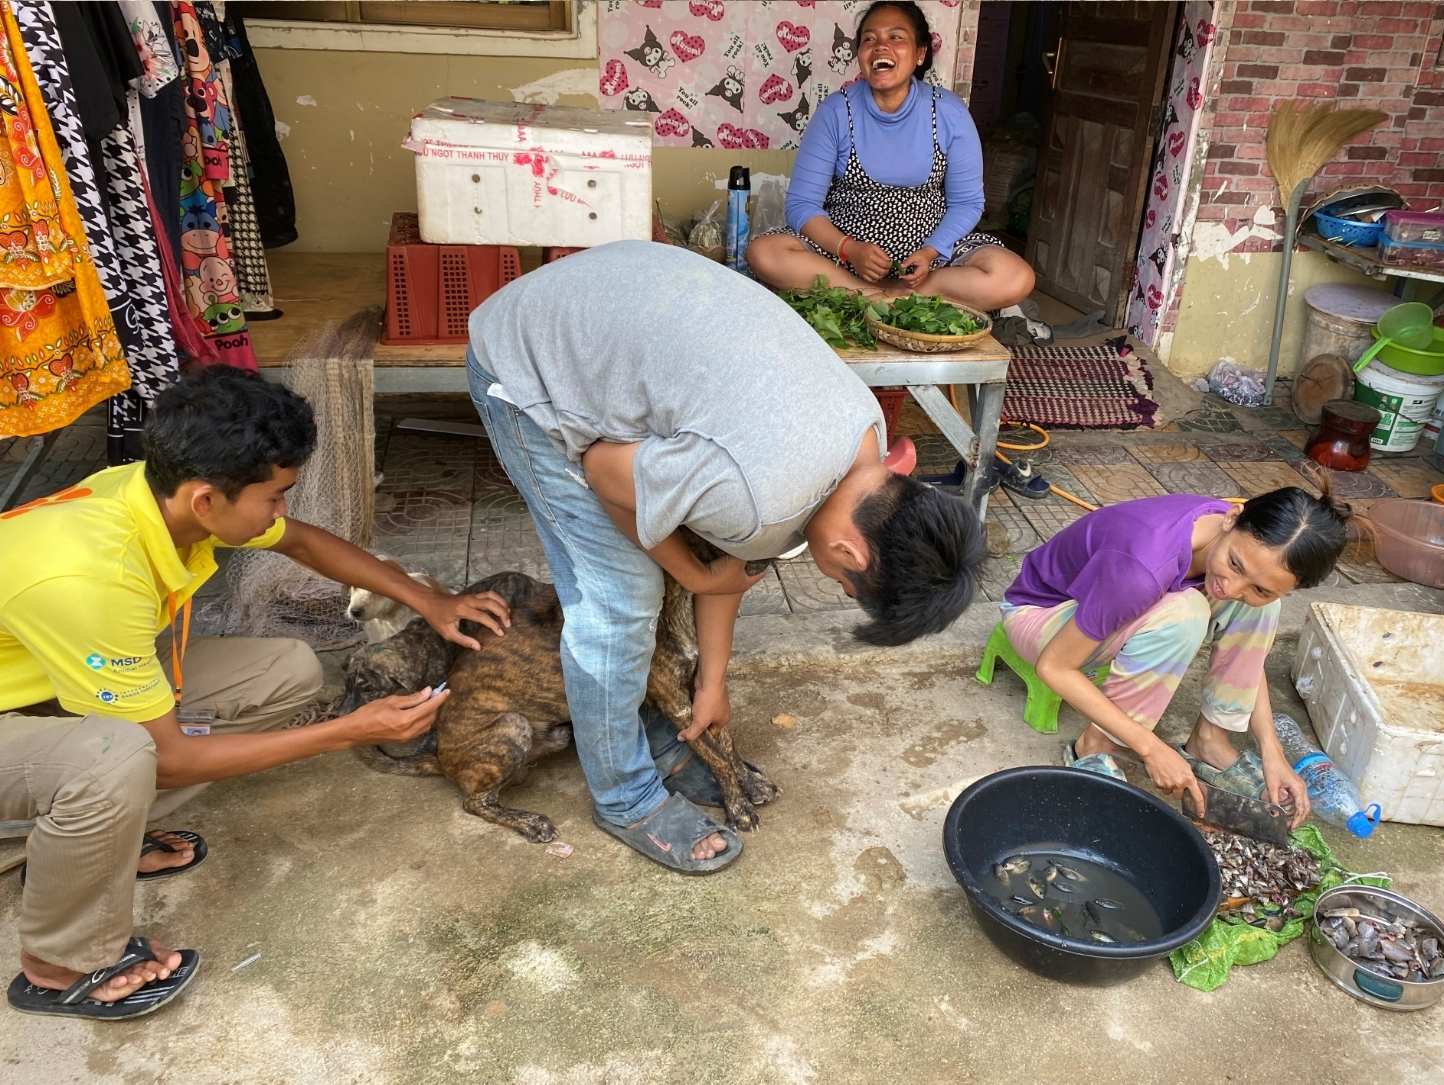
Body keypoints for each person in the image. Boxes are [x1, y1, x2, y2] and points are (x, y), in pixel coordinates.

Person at [0, 368, 510, 1020]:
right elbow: (173, 758)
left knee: (286, 673)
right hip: (24, 704)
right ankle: (59, 961)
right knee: (118, 757)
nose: (282, 511)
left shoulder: (166, 496)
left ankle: (84, 846)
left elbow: (301, 541)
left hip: (40, 681)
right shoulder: (94, 571)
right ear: (207, 499)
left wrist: (428, 598)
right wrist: (348, 728)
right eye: (274, 496)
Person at [466, 240, 985, 875]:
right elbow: (605, 471)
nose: (836, 585)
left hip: (619, 299)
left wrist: (712, 683)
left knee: (663, 552)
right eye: (848, 588)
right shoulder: (760, 497)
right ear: (850, 551)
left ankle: (654, 738)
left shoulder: (864, 439)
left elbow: (736, 561)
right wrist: (689, 572)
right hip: (527, 357)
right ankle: (623, 796)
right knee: (621, 595)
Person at [1000, 486, 1354, 824]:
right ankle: (1093, 747)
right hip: (1044, 616)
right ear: (1232, 517)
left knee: (1260, 609)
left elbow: (1247, 656)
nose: (1231, 587)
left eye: (1261, 586)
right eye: (1235, 564)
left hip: (1108, 611)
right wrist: (1151, 748)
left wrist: (1271, 751)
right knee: (1186, 615)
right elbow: (1056, 667)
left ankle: (1210, 741)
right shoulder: (1142, 568)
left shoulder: (1231, 545)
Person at [747, 0, 1035, 315]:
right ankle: (877, 295)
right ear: (860, 55)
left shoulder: (949, 112)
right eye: (869, 39)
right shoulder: (836, 112)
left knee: (1015, 277)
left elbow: (967, 203)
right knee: (764, 253)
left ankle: (886, 296)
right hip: (846, 248)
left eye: (896, 37)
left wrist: (930, 253)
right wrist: (849, 250)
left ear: (920, 53)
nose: (880, 46)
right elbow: (802, 205)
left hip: (928, 257)